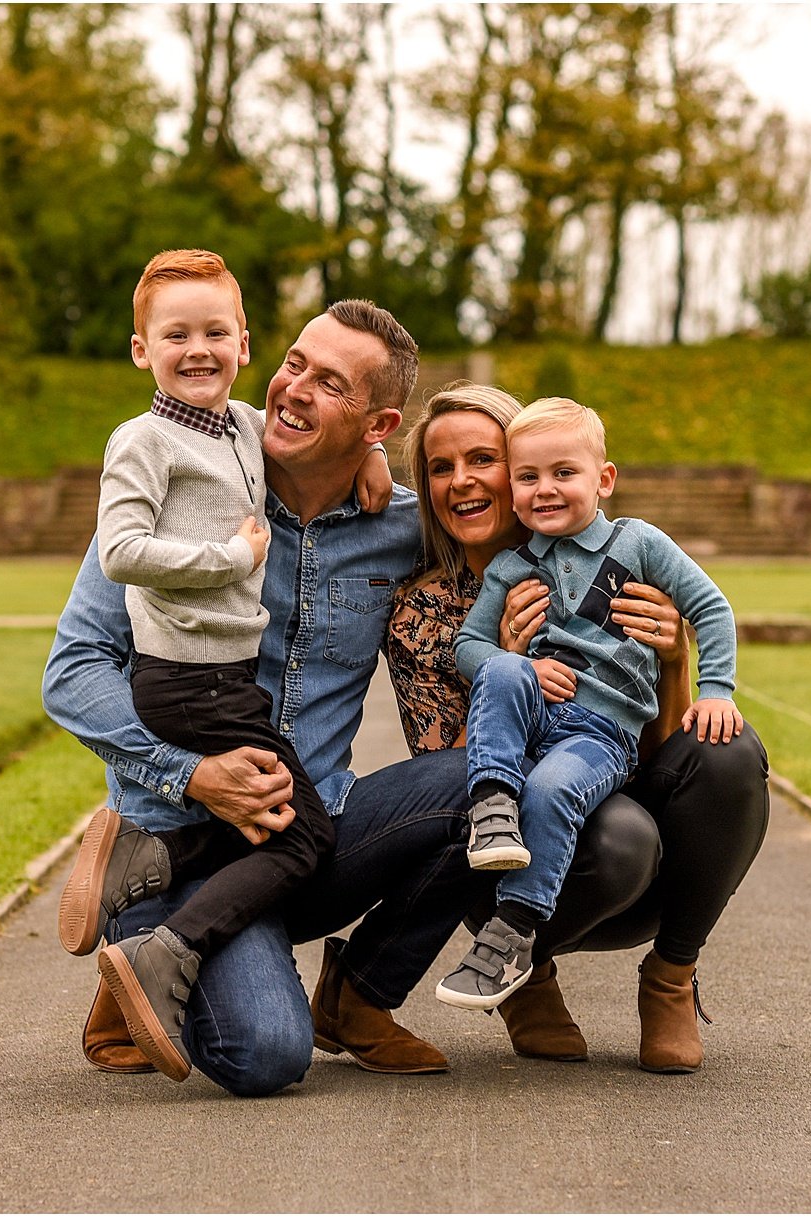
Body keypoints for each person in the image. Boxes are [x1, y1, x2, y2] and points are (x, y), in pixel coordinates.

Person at [44, 298, 480, 1096]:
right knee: (265, 1055)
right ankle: (144, 938)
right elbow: (71, 674)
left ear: (378, 423)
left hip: (306, 834)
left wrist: (648, 599)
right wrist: (190, 775)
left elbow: (524, 518)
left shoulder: (402, 528)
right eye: (295, 363)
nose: (294, 388)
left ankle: (358, 998)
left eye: (330, 384)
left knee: (482, 778)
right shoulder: (179, 495)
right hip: (178, 840)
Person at [386, 382, 769, 1072]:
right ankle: (524, 969)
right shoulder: (434, 606)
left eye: (484, 458)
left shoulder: (627, 555)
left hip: (602, 756)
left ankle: (672, 976)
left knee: (727, 753)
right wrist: (503, 657)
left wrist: (678, 658)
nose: (464, 480)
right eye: (441, 467)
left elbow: (657, 730)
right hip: (497, 838)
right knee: (606, 829)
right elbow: (443, 785)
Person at [57, 249, 343, 1082]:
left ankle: (153, 861)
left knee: (268, 825)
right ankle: (163, 949)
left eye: (216, 331)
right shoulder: (142, 440)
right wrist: (228, 557)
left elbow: (306, 438)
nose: (199, 349)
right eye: (175, 333)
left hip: (219, 680)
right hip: (189, 684)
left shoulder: (243, 426)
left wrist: (361, 456)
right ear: (141, 349)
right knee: (306, 834)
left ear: (244, 343)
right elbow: (120, 550)